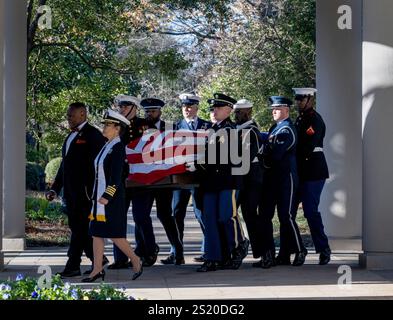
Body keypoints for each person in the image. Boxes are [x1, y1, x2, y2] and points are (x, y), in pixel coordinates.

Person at [46, 102, 107, 278]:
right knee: (78, 228)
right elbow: (65, 166)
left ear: (82, 114)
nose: (68, 118)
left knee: (79, 228)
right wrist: (55, 189)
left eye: (71, 115)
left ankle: (73, 265)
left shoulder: (93, 135)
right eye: (68, 115)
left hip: (86, 193)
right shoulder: (70, 136)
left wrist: (94, 190)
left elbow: (99, 165)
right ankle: (99, 259)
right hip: (71, 193)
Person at [82, 109, 143, 282]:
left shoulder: (117, 148)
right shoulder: (107, 145)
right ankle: (97, 269)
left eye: (108, 125)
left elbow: (116, 178)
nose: (105, 127)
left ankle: (136, 259)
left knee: (116, 235)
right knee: (96, 233)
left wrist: (107, 197)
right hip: (98, 200)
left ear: (117, 128)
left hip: (111, 200)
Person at [191, 93, 248, 272]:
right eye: (212, 108)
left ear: (229, 110)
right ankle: (213, 257)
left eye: (218, 108)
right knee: (210, 220)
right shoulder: (209, 131)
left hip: (227, 181)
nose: (213, 111)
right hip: (210, 182)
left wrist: (198, 161)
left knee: (226, 216)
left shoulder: (232, 131)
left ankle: (239, 244)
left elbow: (223, 157)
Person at [107, 95, 155, 270]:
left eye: (125, 106)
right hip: (120, 179)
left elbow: (152, 148)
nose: (122, 109)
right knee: (117, 218)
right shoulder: (115, 126)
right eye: (120, 106)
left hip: (141, 179)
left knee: (141, 217)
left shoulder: (146, 125)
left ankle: (150, 250)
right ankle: (120, 258)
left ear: (134, 107)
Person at [258, 96, 307, 268]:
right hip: (271, 179)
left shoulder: (287, 130)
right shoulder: (275, 128)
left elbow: (275, 155)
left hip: (286, 179)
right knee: (264, 215)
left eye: (277, 109)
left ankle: (300, 249)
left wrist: (264, 151)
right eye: (273, 108)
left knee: (286, 217)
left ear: (286, 111)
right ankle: (268, 254)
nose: (273, 111)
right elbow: (268, 149)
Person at [165, 93, 212, 264]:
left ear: (197, 107)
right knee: (177, 212)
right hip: (180, 177)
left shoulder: (207, 126)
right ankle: (176, 251)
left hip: (199, 176)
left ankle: (208, 249)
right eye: (184, 106)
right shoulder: (175, 127)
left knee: (201, 212)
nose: (187, 109)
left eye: (190, 106)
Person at [139, 98, 185, 265]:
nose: (149, 114)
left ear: (160, 112)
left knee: (164, 215)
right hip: (144, 180)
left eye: (152, 111)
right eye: (147, 112)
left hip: (164, 179)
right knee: (141, 215)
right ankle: (145, 251)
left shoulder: (171, 128)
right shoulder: (139, 128)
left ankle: (178, 250)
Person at [293, 88, 331, 265]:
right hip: (301, 171)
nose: (298, 102)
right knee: (289, 213)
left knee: (310, 211)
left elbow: (307, 146)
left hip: (313, 171)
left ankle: (323, 248)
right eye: (297, 99)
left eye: (302, 99)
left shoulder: (314, 120)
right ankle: (297, 249)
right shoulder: (300, 119)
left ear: (310, 100)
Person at [233, 99, 263, 266]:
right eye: (235, 112)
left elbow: (246, 157)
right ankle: (239, 246)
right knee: (233, 213)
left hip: (251, 179)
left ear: (248, 112)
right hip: (241, 179)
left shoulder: (251, 130)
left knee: (250, 214)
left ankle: (261, 251)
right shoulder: (239, 129)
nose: (236, 115)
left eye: (239, 112)